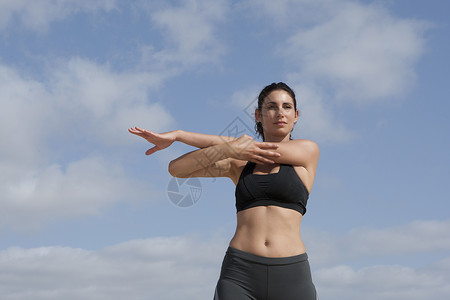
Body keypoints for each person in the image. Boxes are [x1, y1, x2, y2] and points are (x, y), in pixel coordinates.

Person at [129, 82, 320, 300]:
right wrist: (226, 150)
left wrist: (179, 135)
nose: (280, 113)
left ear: (296, 115)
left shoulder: (307, 151)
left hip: (292, 274)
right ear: (258, 114)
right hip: (240, 273)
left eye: (287, 107)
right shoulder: (238, 165)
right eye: (271, 107)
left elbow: (261, 150)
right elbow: (177, 169)